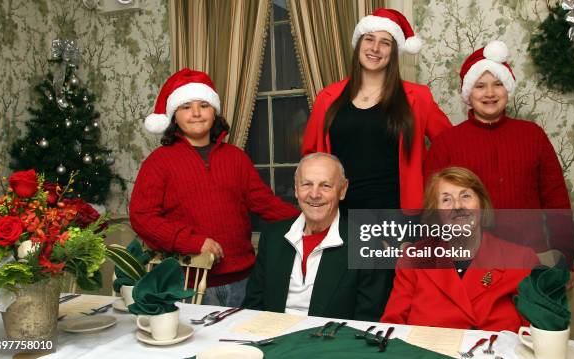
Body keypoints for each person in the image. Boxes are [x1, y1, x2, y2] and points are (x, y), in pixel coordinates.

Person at [130, 68, 299, 307]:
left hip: (245, 280)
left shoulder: (236, 158)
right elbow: (142, 217)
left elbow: (266, 204)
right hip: (188, 282)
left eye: (204, 105)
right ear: (174, 116)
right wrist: (192, 242)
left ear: (215, 111)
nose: (196, 113)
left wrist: (311, 218)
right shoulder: (158, 162)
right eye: (186, 106)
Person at [424, 41, 574, 269]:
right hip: (469, 259)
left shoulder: (532, 135)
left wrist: (564, 254)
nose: (489, 93)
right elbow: (433, 210)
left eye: (497, 84)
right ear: (469, 93)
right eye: (480, 86)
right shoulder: (446, 143)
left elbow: (556, 199)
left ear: (507, 89)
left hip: (531, 256)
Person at [302, 8, 451, 212]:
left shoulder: (418, 97)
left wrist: (429, 185)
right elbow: (310, 158)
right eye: (369, 39)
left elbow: (450, 145)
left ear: (394, 52)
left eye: (385, 42)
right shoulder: (327, 98)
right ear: (358, 45)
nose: (375, 48)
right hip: (339, 214)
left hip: (398, 216)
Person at [380, 167, 540, 331]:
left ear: (481, 204)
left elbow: (537, 337)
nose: (457, 206)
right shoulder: (412, 259)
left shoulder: (522, 260)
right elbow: (391, 330)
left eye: (465, 196)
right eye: (446, 200)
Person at [243, 153, 391, 321]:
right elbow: (253, 307)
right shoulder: (273, 236)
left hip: (332, 342)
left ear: (342, 190)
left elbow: (367, 323)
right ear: (296, 189)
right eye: (306, 184)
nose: (314, 194)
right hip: (272, 339)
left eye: (325, 186)